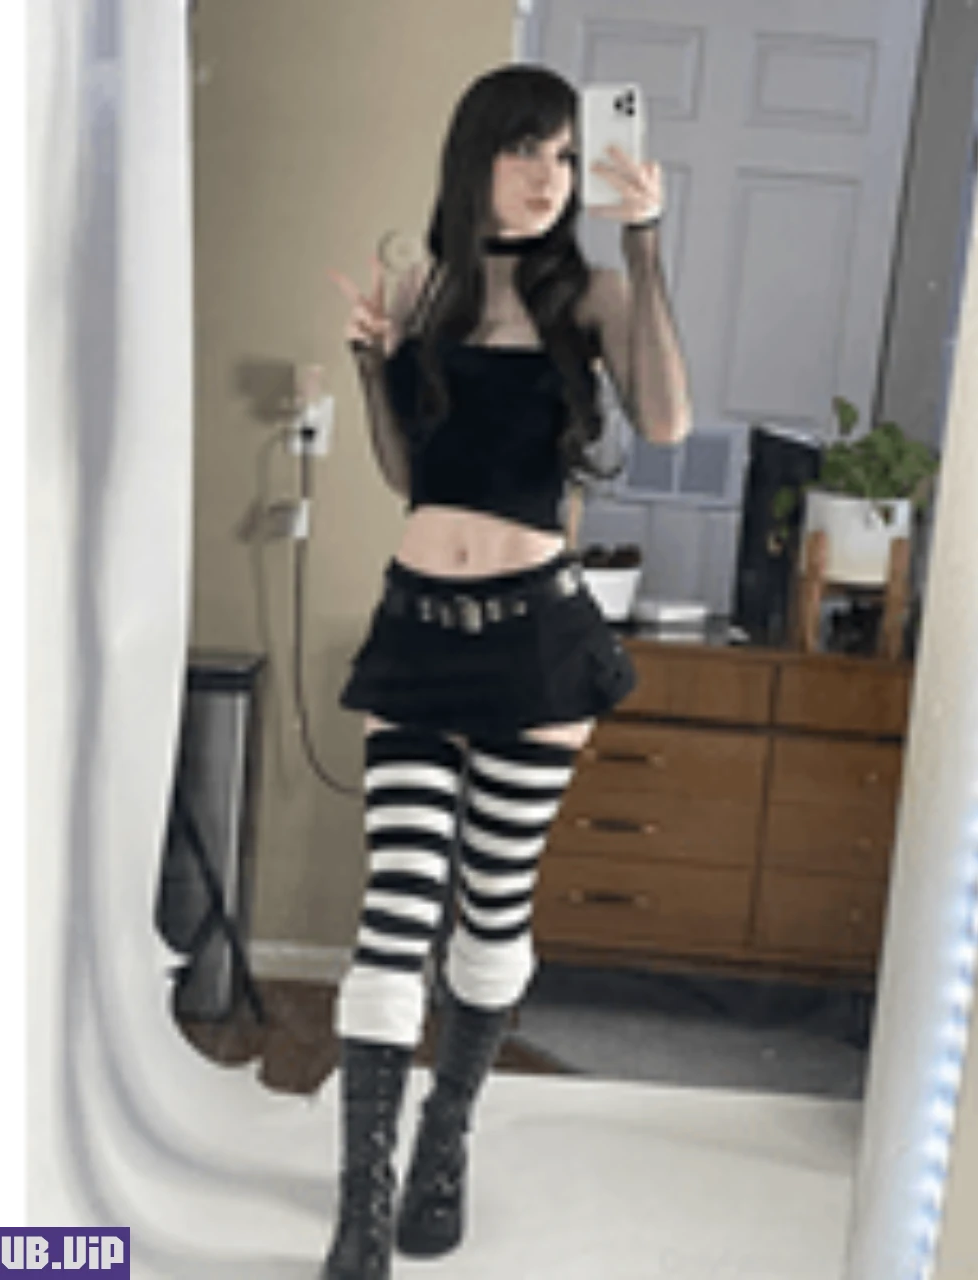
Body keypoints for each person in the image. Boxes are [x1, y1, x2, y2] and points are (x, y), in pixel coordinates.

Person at [322, 63, 692, 1280]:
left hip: (535, 646)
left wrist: (642, 240)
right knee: (393, 915)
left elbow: (666, 418)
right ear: (473, 155)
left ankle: (445, 1134)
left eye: (565, 157)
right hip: (419, 635)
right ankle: (361, 1213)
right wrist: (373, 359)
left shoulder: (586, 296)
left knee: (487, 910)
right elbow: (406, 473)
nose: (548, 177)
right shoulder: (426, 294)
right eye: (525, 150)